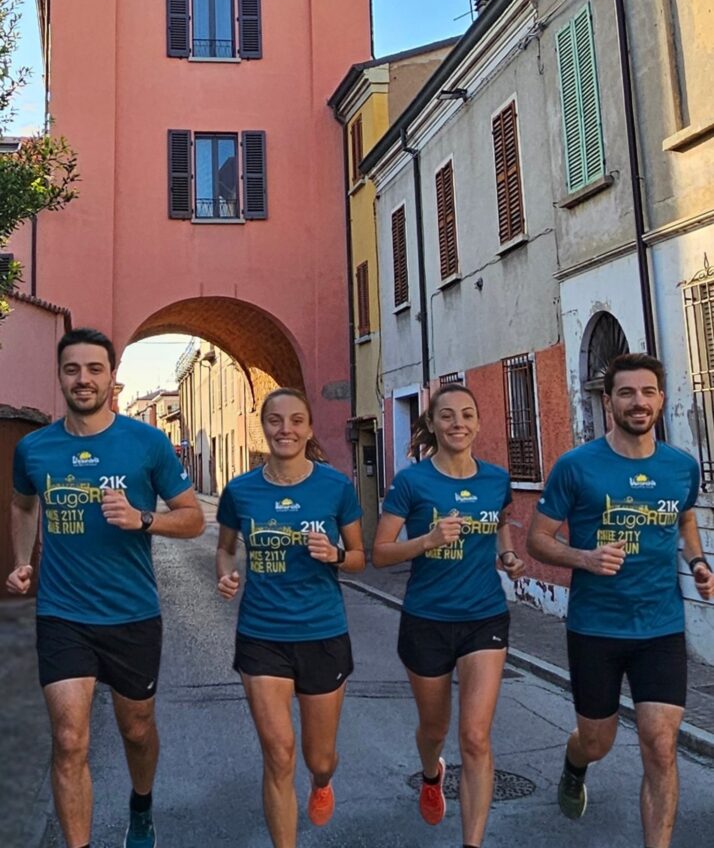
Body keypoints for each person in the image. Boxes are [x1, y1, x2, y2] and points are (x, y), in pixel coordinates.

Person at [5, 328, 205, 848]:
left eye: (94, 369)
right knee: (69, 739)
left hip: (132, 613)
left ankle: (141, 805)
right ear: (60, 376)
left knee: (136, 729)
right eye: (72, 369)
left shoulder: (147, 443)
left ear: (112, 377)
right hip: (62, 614)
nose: (83, 379)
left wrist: (144, 519)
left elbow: (193, 518)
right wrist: (23, 561)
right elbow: (23, 505)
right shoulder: (34, 449)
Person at [527, 352, 714, 848]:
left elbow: (684, 517)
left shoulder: (681, 466)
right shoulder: (576, 467)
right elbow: (537, 540)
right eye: (626, 393)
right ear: (608, 401)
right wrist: (585, 558)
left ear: (661, 399)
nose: (638, 402)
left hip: (660, 627)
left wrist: (698, 562)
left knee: (661, 744)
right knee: (597, 741)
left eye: (648, 392)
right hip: (596, 628)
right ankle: (575, 764)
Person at [372, 383, 525, 848]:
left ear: (478, 423)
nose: (459, 423)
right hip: (427, 619)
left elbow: (500, 521)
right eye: (448, 415)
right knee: (434, 729)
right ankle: (430, 773)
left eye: (467, 414)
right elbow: (380, 553)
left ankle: (471, 842)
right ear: (433, 424)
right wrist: (428, 540)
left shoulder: (495, 479)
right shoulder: (412, 483)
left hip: (484, 616)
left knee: (475, 736)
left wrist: (507, 554)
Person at [216, 387, 364, 848]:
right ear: (263, 427)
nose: (286, 429)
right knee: (279, 755)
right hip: (261, 635)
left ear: (309, 428)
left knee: (320, 758)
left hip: (323, 633)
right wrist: (226, 575)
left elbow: (360, 557)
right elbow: (224, 549)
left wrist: (336, 555)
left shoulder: (335, 487)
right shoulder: (240, 491)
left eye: (296, 420)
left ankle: (322, 782)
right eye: (275, 420)